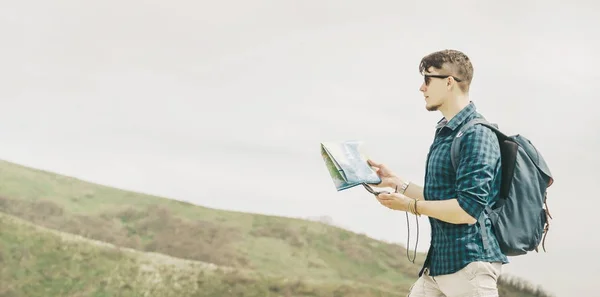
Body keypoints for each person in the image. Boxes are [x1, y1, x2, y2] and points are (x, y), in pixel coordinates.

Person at [367, 49, 508, 297]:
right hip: (439, 265)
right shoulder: (446, 131)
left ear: (449, 82)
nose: (422, 88)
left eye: (428, 79)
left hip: (469, 266)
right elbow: (440, 196)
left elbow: (467, 210)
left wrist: (409, 206)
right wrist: (396, 183)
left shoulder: (477, 134)